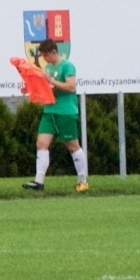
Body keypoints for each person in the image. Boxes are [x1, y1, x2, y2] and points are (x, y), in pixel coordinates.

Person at [22, 39, 88, 192]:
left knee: (72, 146)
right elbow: (47, 89)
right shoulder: (49, 67)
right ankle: (39, 182)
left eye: (46, 55)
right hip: (50, 111)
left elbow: (71, 87)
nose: (44, 59)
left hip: (65, 111)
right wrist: (30, 89)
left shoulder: (67, 65)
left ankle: (83, 181)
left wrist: (52, 81)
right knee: (41, 143)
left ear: (54, 52)